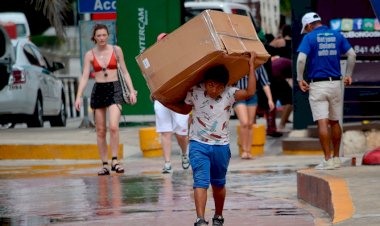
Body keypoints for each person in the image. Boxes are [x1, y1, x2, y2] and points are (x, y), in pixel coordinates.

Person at [183, 52, 257, 226]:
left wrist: (251, 66)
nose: (214, 90)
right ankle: (200, 219)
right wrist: (162, 99)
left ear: (225, 86)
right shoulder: (194, 91)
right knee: (200, 181)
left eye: (219, 87)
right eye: (211, 85)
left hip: (221, 147)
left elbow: (250, 92)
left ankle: (218, 215)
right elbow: (183, 108)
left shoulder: (230, 94)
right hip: (198, 144)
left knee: (218, 184)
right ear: (205, 82)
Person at [75, 24, 137, 175]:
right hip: (99, 90)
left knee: (114, 126)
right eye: (99, 36)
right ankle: (104, 163)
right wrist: (78, 96)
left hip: (115, 89)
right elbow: (84, 77)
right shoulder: (90, 54)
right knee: (101, 131)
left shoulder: (116, 50)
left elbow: (125, 71)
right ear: (94, 38)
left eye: (104, 35)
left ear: (108, 36)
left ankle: (115, 160)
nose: (102, 38)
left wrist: (131, 90)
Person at [297, 12, 356, 170]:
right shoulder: (337, 35)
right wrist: (348, 75)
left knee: (322, 122)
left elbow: (301, 59)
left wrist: (299, 78)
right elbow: (352, 54)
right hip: (336, 83)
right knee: (335, 121)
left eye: (306, 28)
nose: (307, 31)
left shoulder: (309, 38)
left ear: (309, 25)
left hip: (317, 85)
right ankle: (336, 158)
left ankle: (327, 159)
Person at [155, 33, 190, 173]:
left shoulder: (181, 56)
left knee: (181, 133)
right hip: (161, 99)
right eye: (161, 41)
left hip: (178, 98)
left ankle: (184, 154)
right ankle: (167, 163)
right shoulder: (154, 60)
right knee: (165, 132)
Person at [233, 65, 275, 159]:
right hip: (239, 94)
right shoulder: (238, 62)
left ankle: (248, 151)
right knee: (244, 122)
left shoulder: (258, 65)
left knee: (250, 124)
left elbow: (265, 83)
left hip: (252, 95)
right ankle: (244, 150)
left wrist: (270, 99)